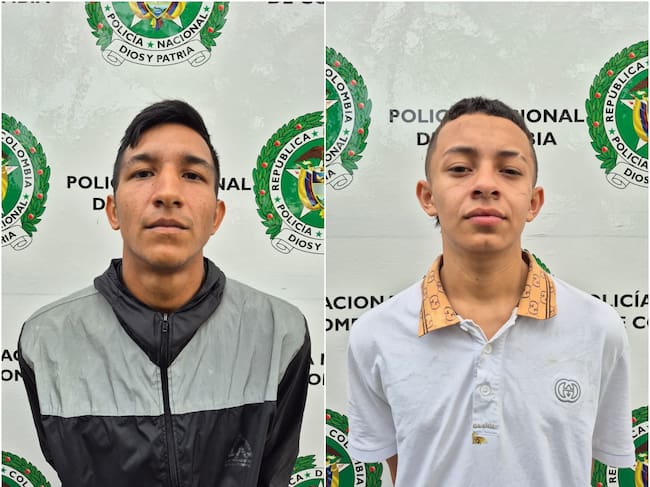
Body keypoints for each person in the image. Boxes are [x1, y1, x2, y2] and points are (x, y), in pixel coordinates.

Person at [18, 100, 311, 487]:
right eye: (143, 173)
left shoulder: (279, 333)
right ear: (113, 211)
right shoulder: (46, 340)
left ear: (216, 216)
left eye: (191, 175)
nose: (168, 192)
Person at [346, 97, 635, 486]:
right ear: (428, 197)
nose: (485, 185)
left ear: (533, 202)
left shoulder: (597, 329)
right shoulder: (376, 335)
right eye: (460, 169)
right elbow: (405, 472)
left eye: (510, 171)